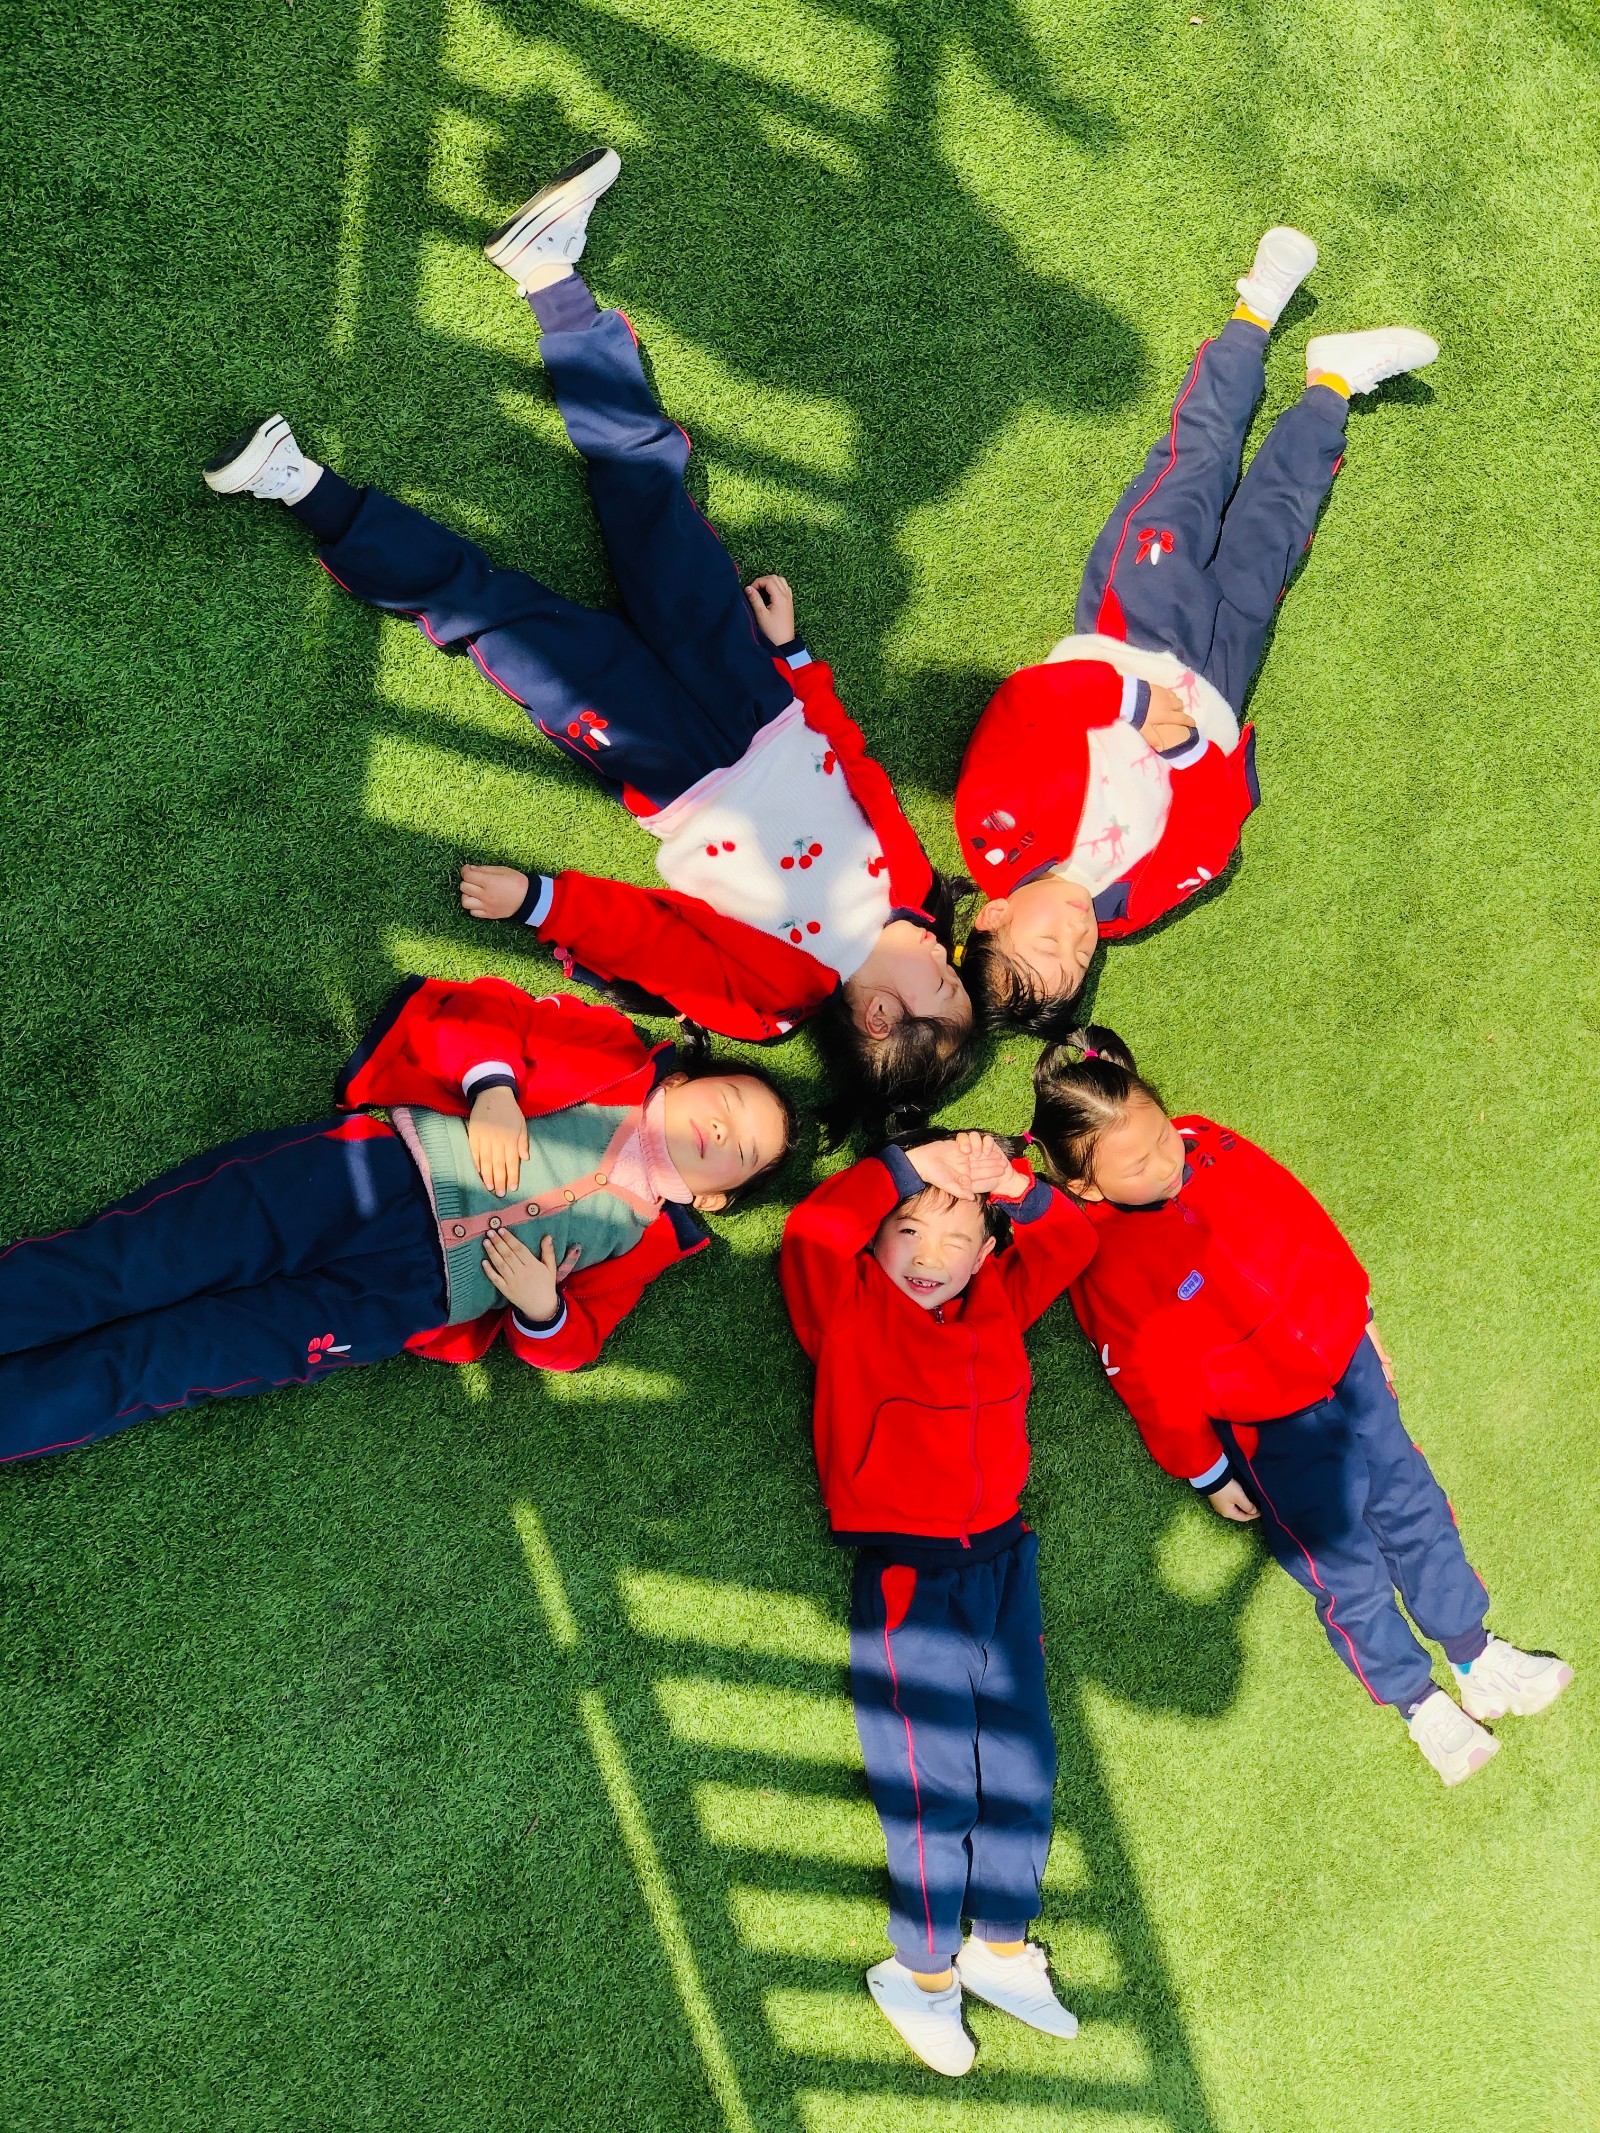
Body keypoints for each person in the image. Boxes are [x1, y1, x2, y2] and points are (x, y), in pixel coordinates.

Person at [201, 149, 976, 1132]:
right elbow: (853, 761)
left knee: (500, 621)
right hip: (755, 694)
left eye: (942, 987)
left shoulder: (774, 1001)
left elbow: (651, 939)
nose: (947, 958)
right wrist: (794, 661)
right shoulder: (911, 886)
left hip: (667, 765)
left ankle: (302, 489)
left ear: (879, 1018)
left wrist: (541, 904)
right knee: (649, 496)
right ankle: (548, 273)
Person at [1028, 1026, 1574, 1785]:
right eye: (1139, 1164)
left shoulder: (1206, 1142)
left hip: (1344, 1359)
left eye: (1162, 1136)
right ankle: (1418, 1702)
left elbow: (1298, 1212)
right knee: (1345, 1565)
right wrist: (1206, 1469)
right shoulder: (1104, 1255)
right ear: (1087, 1187)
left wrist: (1357, 1307)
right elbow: (1144, 1380)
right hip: (1271, 1429)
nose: (1167, 1160)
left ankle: (1474, 1654)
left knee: (1413, 1500)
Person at [956, 226, 1439, 1032]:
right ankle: (1332, 384)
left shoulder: (993, 834)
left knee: (1196, 463)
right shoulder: (1127, 909)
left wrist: (1132, 704)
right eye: (1076, 965)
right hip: (1217, 675)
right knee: (1276, 527)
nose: (1075, 939)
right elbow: (1210, 844)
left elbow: (1024, 707)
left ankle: (1256, 310)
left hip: (1133, 624)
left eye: (1045, 945)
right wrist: (1186, 749)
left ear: (993, 915)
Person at [0, 975, 793, 1463]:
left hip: (395, 1303)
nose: (722, 1130)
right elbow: (481, 1016)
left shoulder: (646, 1239)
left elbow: (574, 1344)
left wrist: (542, 1306)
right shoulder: (613, 1054)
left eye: (742, 1150)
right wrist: (493, 1091)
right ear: (685, 1081)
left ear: (714, 1199)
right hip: (363, 1180)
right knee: (139, 1260)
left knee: (169, 1363)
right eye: (728, 1102)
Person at [780, 1127, 1094, 2074]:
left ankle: (999, 1943)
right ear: (876, 1239)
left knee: (1025, 1760)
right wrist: (913, 1165)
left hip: (1003, 1558)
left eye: (958, 1239)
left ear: (988, 1252)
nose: (931, 1255)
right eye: (909, 1230)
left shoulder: (999, 1297)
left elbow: (1072, 1241)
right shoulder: (849, 1307)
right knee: (932, 1782)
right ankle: (918, 1971)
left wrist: (1010, 1182)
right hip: (907, 1574)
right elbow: (811, 1231)